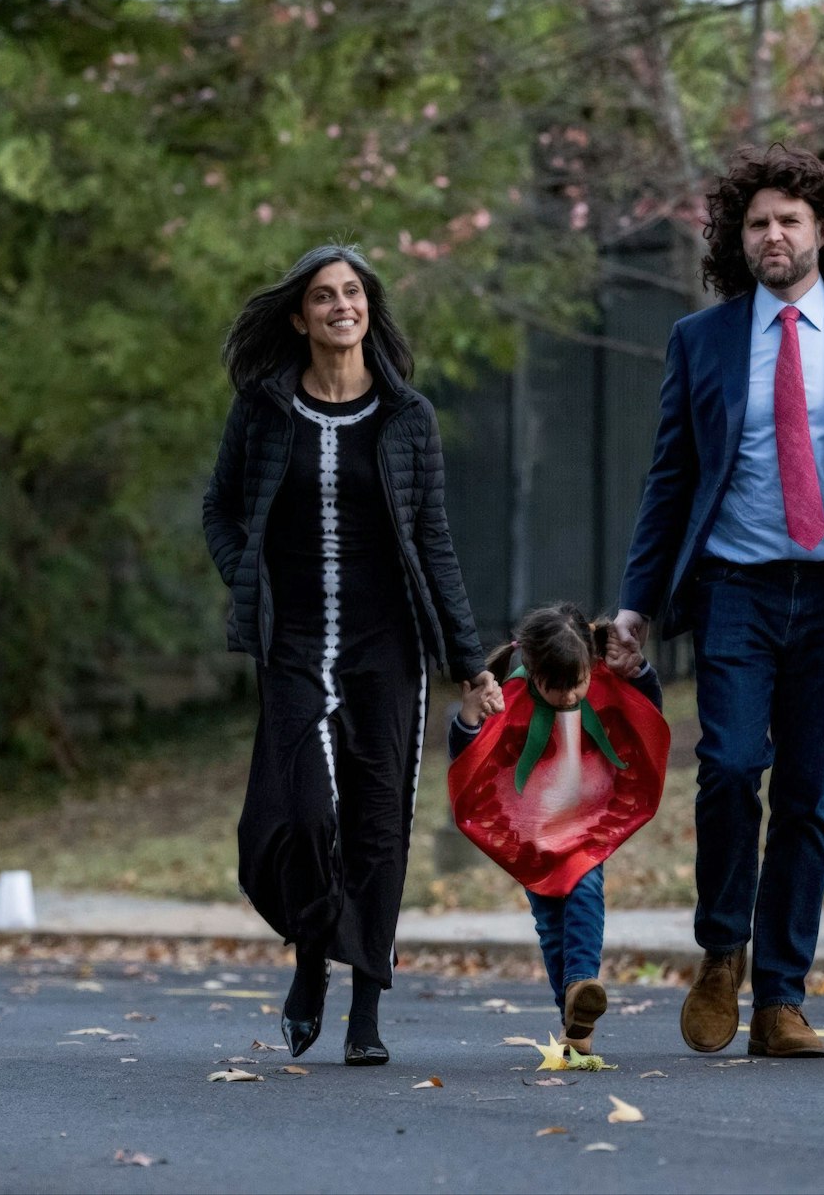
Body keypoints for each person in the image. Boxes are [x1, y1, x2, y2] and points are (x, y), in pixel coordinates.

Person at [609, 144, 824, 1058]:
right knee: (728, 766)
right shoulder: (702, 339)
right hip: (736, 586)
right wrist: (637, 601)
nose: (773, 234)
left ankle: (781, 999)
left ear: (822, 231)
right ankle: (723, 947)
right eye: (758, 222)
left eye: (789, 220)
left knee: (808, 793)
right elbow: (669, 479)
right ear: (739, 237)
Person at [201, 244, 503, 1065]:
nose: (342, 305)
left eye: (353, 292)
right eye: (324, 296)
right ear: (300, 317)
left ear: (369, 307)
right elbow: (220, 509)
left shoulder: (408, 417)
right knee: (302, 814)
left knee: (378, 823)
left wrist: (470, 662)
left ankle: (365, 1008)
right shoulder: (264, 409)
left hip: (386, 647)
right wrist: (246, 574)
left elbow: (434, 542)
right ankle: (311, 955)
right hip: (294, 644)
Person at [444, 605, 668, 1056]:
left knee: (586, 892)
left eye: (576, 684)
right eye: (555, 687)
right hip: (532, 835)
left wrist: (640, 671)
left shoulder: (602, 684)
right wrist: (468, 717)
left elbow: (645, 714)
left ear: (590, 663)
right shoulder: (510, 698)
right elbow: (470, 758)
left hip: (587, 825)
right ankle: (573, 1017)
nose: (568, 698)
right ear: (532, 669)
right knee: (550, 926)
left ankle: (582, 983)